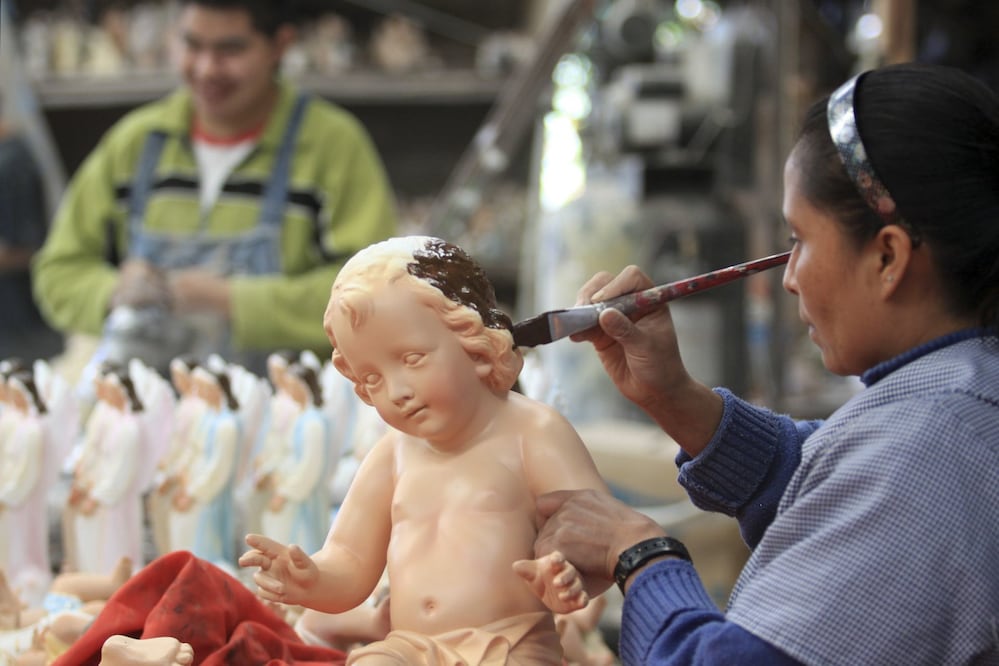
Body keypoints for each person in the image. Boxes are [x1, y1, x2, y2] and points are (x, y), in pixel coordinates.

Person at [531, 62, 999, 665]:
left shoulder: (931, 449)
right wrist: (676, 397)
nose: (791, 279)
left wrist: (639, 552)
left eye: (800, 240)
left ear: (887, 255)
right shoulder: (957, 389)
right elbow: (829, 478)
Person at [239, 236, 612, 664]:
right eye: (372, 379)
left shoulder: (534, 432)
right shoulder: (392, 454)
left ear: (473, 337)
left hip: (511, 642)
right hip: (410, 647)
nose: (396, 391)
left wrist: (566, 574)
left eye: (412, 358)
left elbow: (603, 538)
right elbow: (351, 560)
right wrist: (311, 578)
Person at [31, 0, 397, 375]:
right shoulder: (135, 143)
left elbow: (376, 290)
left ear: (280, 45)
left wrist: (229, 300)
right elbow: (57, 272)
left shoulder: (331, 146)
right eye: (192, 45)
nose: (206, 68)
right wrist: (112, 291)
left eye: (230, 50)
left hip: (284, 408)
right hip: (144, 412)